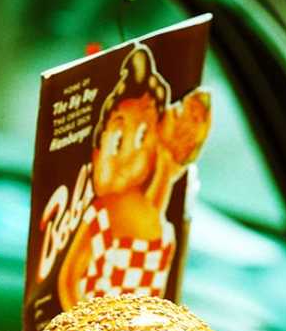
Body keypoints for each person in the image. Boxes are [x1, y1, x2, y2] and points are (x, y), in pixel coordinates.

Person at [56, 44, 211, 310]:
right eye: (117, 140)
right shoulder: (99, 215)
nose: (126, 157)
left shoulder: (165, 233)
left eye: (141, 137)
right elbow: (69, 281)